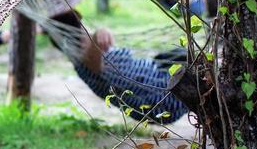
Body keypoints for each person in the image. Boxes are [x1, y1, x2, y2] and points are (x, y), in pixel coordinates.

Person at [56, 10, 188, 123]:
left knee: (187, 57)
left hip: (163, 78)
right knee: (192, 62)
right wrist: (98, 34)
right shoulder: (84, 63)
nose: (87, 31)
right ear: (74, 34)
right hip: (163, 99)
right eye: (82, 27)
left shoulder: (90, 55)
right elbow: (95, 66)